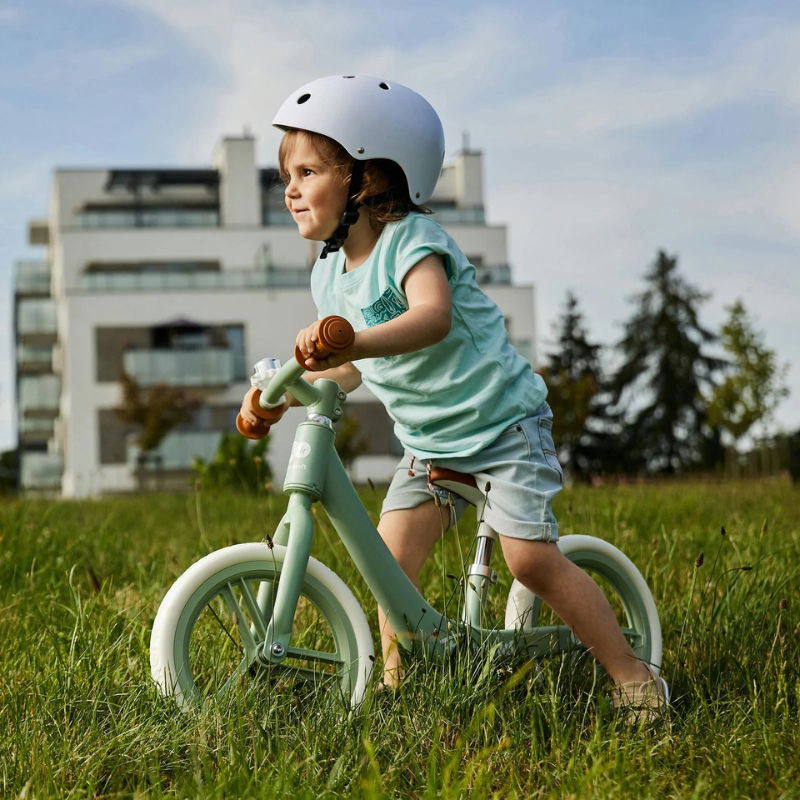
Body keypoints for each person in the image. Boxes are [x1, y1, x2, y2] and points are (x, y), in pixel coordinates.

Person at [239, 74, 668, 719]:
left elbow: (432, 318)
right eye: (286, 177)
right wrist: (286, 393)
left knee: (530, 562)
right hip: (429, 446)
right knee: (390, 570)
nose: (291, 190)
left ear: (367, 178)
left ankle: (633, 676)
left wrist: (352, 340)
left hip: (501, 427)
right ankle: (394, 689)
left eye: (306, 172)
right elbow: (350, 373)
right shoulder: (328, 275)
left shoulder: (412, 242)